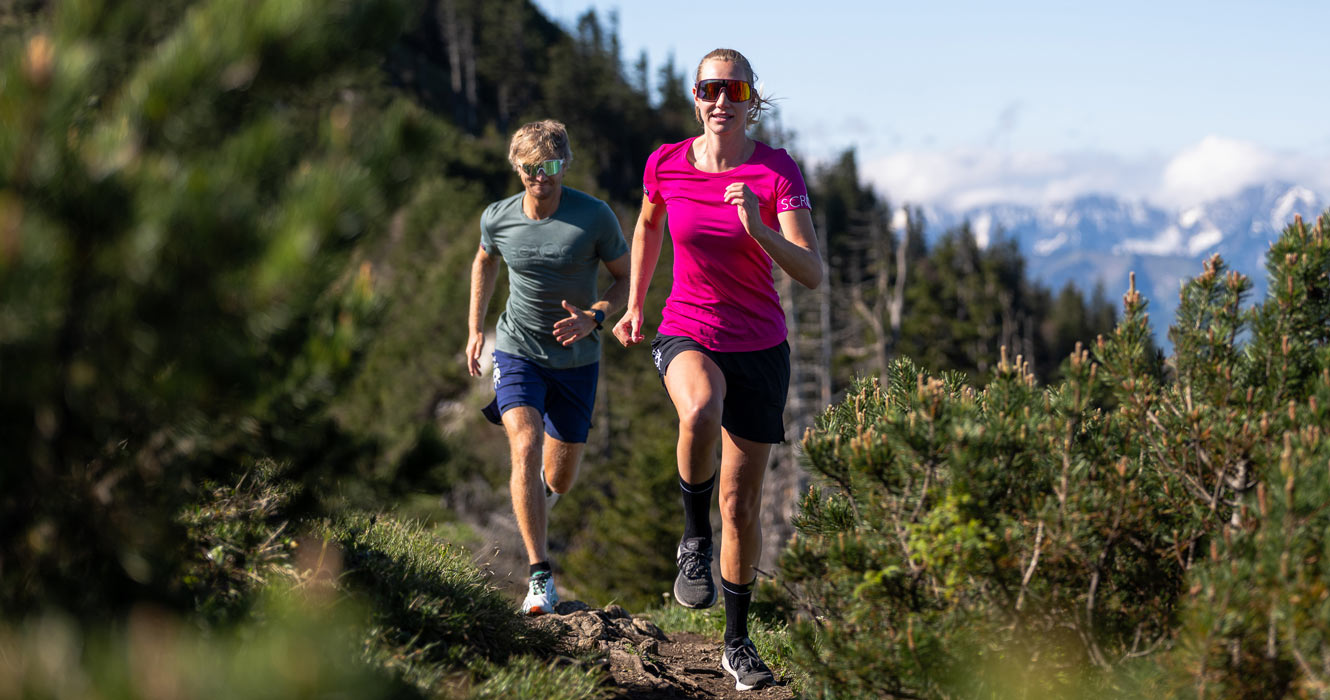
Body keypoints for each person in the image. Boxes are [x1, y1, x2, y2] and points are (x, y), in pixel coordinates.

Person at [612, 49, 822, 691]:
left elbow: (812, 272)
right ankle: (690, 540)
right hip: (687, 326)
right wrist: (635, 305)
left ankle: (736, 643)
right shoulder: (666, 163)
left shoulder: (775, 170)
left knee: (743, 504)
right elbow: (648, 226)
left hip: (759, 345)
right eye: (709, 88)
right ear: (695, 96)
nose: (720, 99)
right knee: (698, 407)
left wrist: (758, 228)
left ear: (751, 98)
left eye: (733, 88)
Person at [467, 120, 630, 616]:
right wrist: (475, 328)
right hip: (518, 349)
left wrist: (595, 318)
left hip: (578, 360)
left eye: (553, 166)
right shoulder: (498, 218)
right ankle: (540, 577)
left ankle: (541, 496)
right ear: (518, 168)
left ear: (566, 164)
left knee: (559, 479)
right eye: (534, 168)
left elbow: (626, 281)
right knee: (525, 444)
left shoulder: (594, 217)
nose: (544, 177)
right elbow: (484, 260)